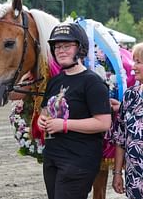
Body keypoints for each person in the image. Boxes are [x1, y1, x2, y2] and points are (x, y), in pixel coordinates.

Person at [37, 22, 111, 199]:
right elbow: (46, 111)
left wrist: (64, 124)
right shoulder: (55, 81)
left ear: (80, 48)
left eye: (67, 46)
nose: (61, 50)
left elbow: (103, 122)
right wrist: (42, 119)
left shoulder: (92, 82)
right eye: (57, 46)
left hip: (79, 160)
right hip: (53, 157)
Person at [112, 42, 143, 199]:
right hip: (135, 180)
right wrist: (117, 173)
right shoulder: (130, 96)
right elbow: (121, 138)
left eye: (138, 62)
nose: (133, 67)